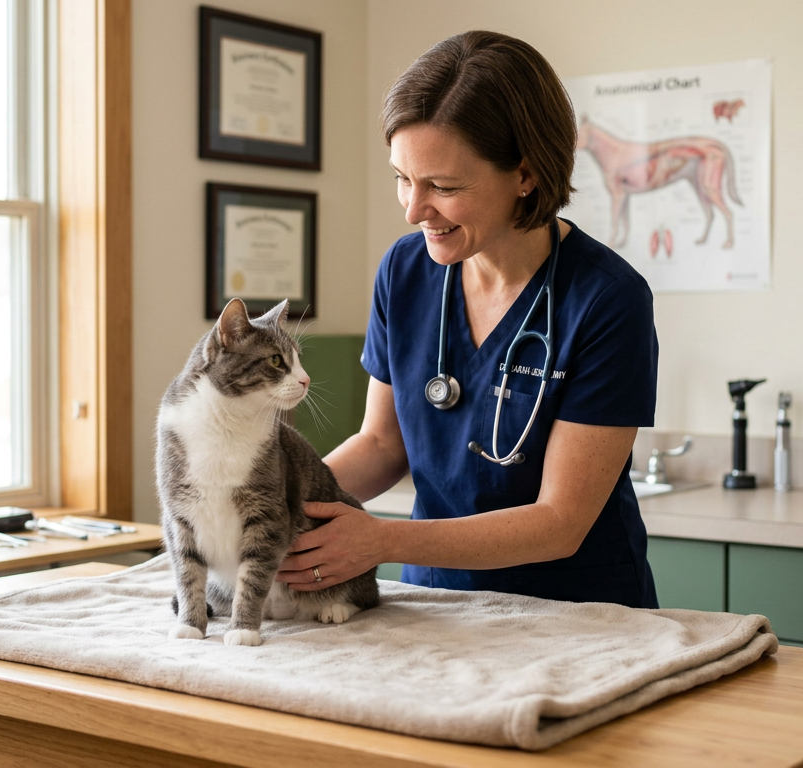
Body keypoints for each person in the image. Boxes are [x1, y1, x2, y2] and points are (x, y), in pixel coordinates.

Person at [275, 30, 659, 606]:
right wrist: (273, 504)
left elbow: (560, 520)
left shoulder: (607, 300)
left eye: (443, 187)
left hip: (577, 617)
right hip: (436, 606)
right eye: (403, 178)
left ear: (526, 175)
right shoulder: (406, 271)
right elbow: (382, 445)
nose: (413, 209)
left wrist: (379, 540)